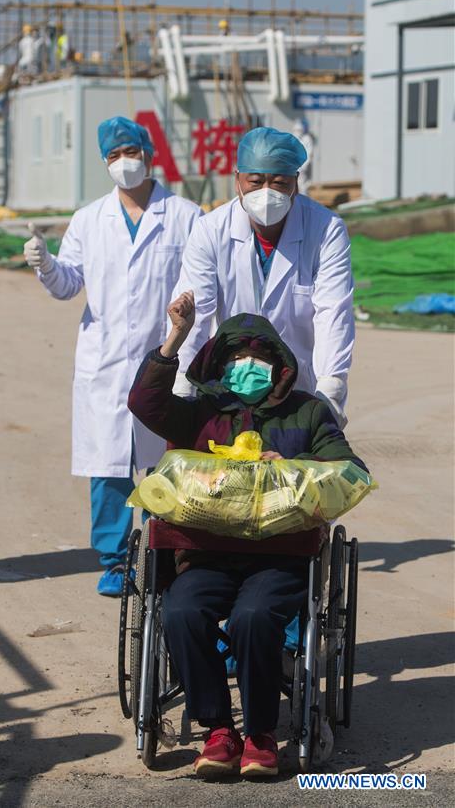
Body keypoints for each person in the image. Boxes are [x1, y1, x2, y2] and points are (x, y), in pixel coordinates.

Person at [128, 292, 367, 778]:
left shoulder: (308, 413)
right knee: (181, 610)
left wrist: (294, 468)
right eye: (237, 358)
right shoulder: (200, 411)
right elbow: (144, 402)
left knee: (254, 618)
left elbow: (350, 470)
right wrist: (175, 337)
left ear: (280, 365)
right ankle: (218, 729)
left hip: (280, 557)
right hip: (205, 554)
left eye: (259, 358)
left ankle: (260, 734)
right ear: (220, 364)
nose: (249, 367)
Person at [23, 117, 201, 597]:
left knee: (165, 466)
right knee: (109, 469)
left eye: (130, 151)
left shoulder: (185, 215)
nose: (124, 162)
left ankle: (164, 557)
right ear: (105, 162)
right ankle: (116, 562)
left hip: (166, 357)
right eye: (113, 155)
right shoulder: (88, 219)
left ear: (148, 152)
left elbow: (203, 282)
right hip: (104, 364)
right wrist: (45, 266)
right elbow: (68, 286)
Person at [174, 126, 354, 428]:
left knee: (292, 472)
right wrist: (182, 386)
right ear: (237, 181)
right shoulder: (210, 230)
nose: (267, 193)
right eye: (256, 181)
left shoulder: (326, 229)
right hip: (228, 385)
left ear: (296, 184)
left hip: (298, 390)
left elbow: (333, 312)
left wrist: (330, 391)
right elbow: (197, 313)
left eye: (279, 182)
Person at [292, 118, 315, 194]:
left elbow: (309, 153)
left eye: (299, 130)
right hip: (294, 166)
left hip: (303, 166)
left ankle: (304, 199)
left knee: (303, 184)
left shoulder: (307, 139)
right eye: (296, 131)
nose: (297, 132)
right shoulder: (293, 139)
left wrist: (304, 165)